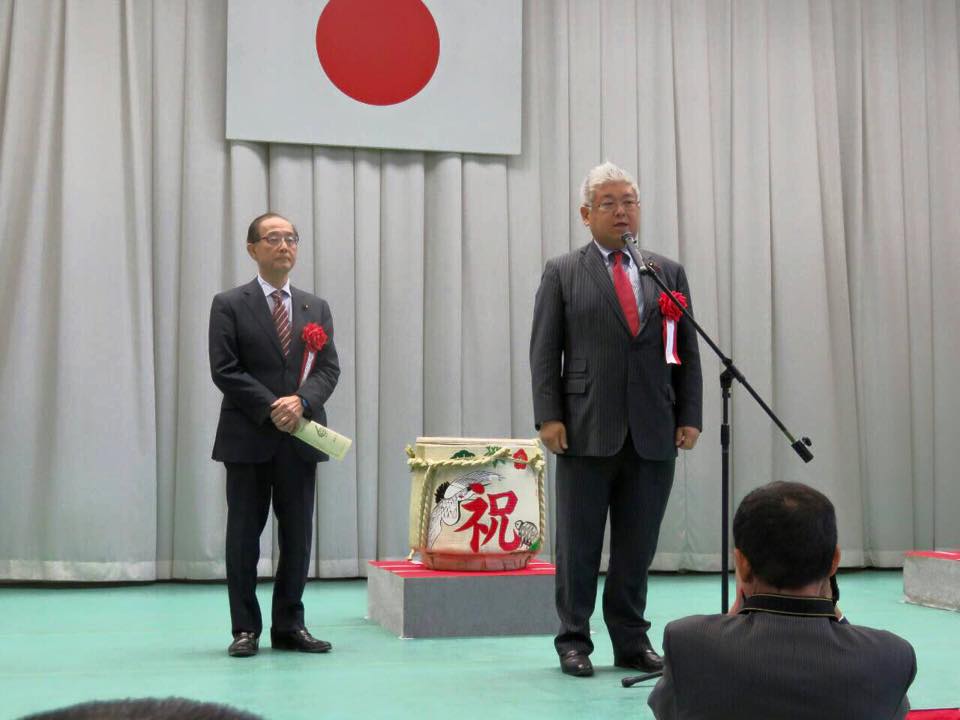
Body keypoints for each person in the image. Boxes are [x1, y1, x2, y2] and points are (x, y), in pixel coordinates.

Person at [529, 161, 703, 677]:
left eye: (629, 202)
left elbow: (687, 350)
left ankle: (631, 640)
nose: (622, 211)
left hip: (654, 428)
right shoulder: (563, 271)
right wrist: (548, 416)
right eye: (609, 203)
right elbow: (545, 350)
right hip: (585, 427)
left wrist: (690, 413)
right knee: (578, 546)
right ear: (586, 214)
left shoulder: (665, 271)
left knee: (636, 547)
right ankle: (573, 640)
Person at [648, 481, 917, 719]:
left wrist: (728, 623)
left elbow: (668, 711)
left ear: (741, 563)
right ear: (834, 561)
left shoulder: (688, 643)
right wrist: (838, 618)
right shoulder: (891, 656)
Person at [209, 212, 340, 657]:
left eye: (291, 238)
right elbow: (225, 369)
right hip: (248, 436)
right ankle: (245, 628)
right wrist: (272, 406)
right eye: (273, 238)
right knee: (244, 537)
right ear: (252, 249)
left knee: (298, 537)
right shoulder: (229, 304)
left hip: (300, 438)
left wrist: (300, 401)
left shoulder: (315, 307)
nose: (284, 245)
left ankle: (290, 625)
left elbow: (328, 369)